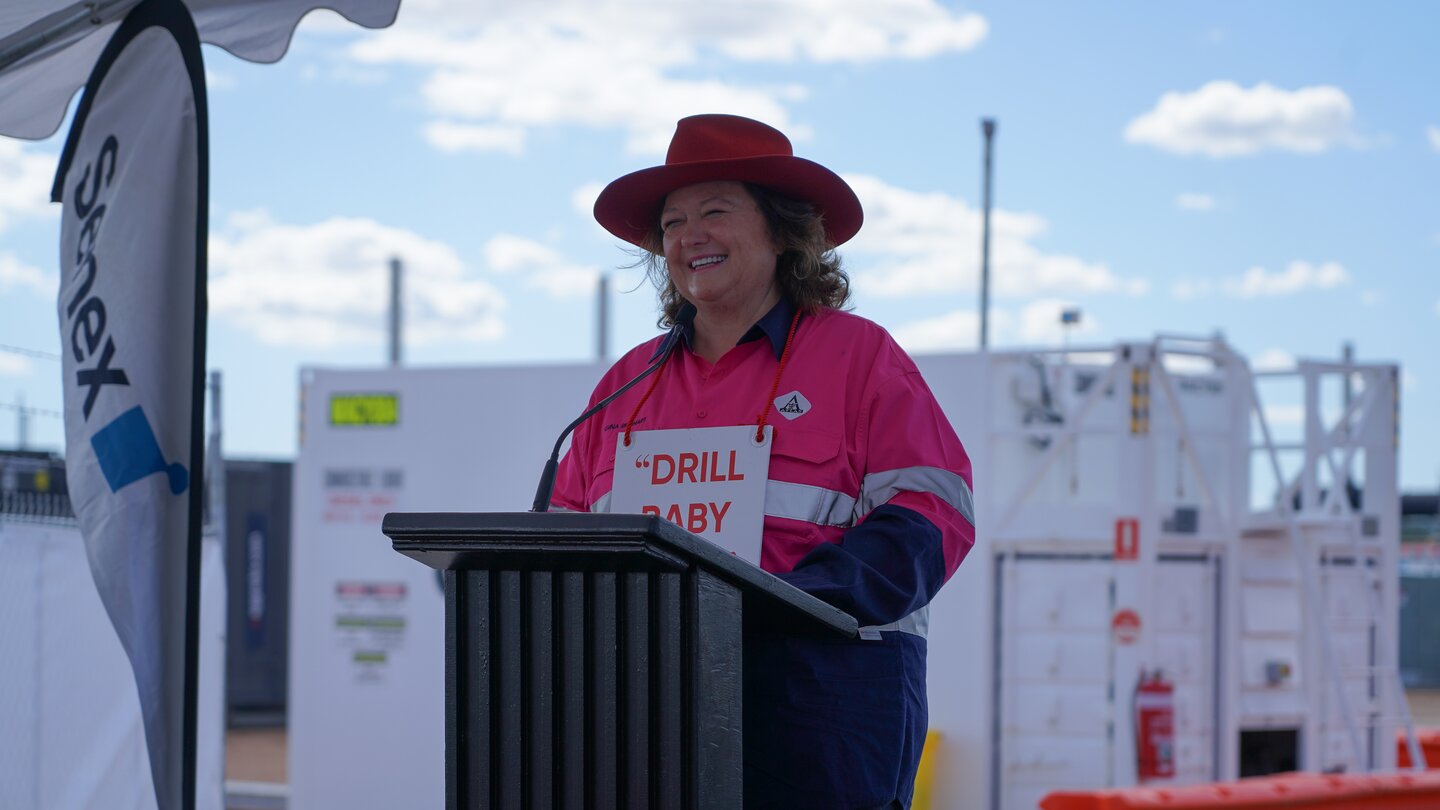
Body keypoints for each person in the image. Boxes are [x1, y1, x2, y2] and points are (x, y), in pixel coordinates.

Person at [552, 113, 975, 809]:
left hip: (822, 718)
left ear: (782, 231)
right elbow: (561, 534)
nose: (689, 236)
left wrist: (792, 600)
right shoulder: (627, 383)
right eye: (672, 222)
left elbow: (933, 513)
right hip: (643, 720)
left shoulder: (860, 356)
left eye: (715, 211)